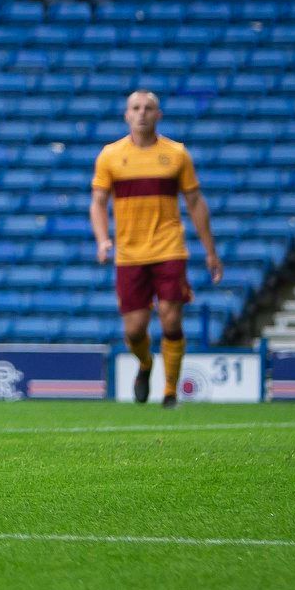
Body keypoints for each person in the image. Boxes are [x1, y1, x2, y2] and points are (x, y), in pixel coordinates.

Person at [89, 91, 223, 408]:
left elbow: (195, 202)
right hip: (130, 253)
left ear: (158, 115)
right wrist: (102, 239)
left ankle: (170, 391)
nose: (142, 113)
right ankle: (146, 364)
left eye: (149, 108)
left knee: (170, 320)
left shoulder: (176, 155)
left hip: (169, 248)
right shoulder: (110, 156)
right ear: (126, 115)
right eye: (135, 108)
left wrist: (210, 251)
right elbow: (98, 202)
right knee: (134, 330)